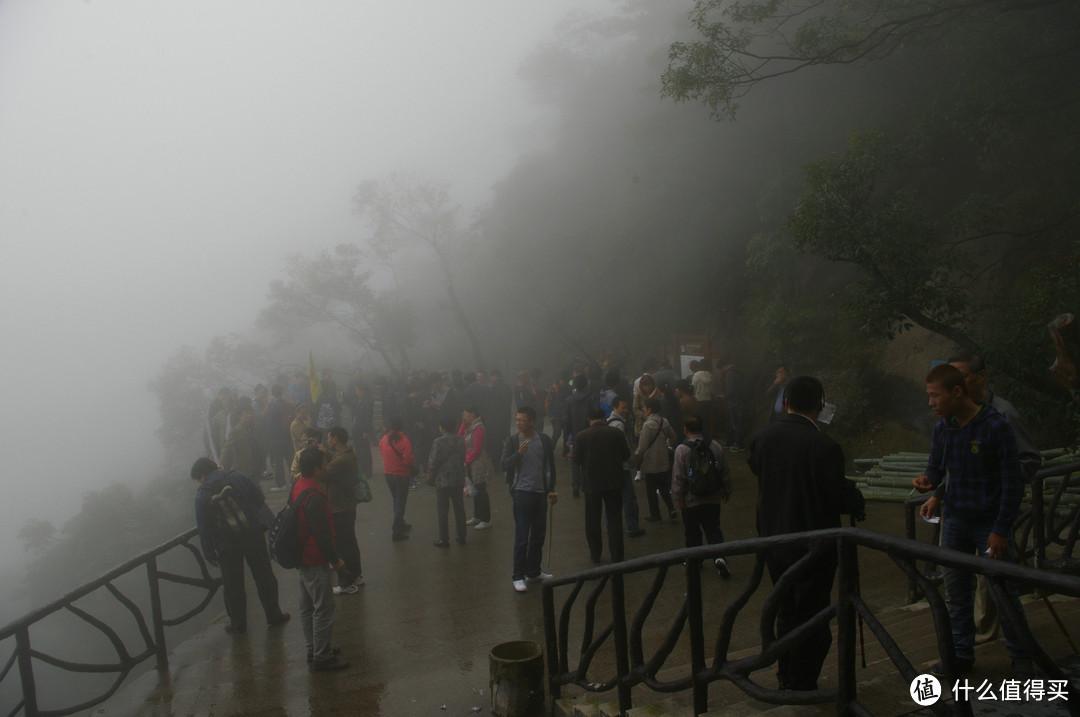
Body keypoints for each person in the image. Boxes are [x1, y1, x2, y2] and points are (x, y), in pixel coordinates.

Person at [912, 364, 1033, 679]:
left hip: (988, 523)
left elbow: (1012, 483)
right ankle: (961, 655)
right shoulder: (943, 428)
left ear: (957, 392)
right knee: (956, 593)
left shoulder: (995, 425)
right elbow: (937, 470)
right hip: (955, 520)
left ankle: (1022, 658)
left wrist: (1001, 529)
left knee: (1002, 591)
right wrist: (928, 482)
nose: (931, 403)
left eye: (935, 395)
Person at [749, 375, 865, 691]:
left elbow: (757, 469)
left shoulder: (762, 437)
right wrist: (855, 497)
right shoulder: (825, 446)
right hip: (814, 545)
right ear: (820, 405)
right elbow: (837, 497)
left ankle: (786, 673)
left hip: (774, 541)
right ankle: (802, 682)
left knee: (786, 607)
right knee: (813, 613)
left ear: (785, 402)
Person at [191, 457, 290, 635]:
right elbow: (259, 498)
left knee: (233, 584)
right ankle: (274, 615)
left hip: (226, 544)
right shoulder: (237, 476)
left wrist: (209, 553)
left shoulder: (202, 495)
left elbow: (204, 528)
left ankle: (238, 624)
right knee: (264, 576)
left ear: (203, 475)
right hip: (253, 535)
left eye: (199, 478)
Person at [291, 447, 349, 671]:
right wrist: (335, 560)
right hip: (314, 557)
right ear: (316, 469)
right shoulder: (314, 496)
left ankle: (313, 647)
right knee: (323, 607)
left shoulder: (298, 486)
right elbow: (321, 533)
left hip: (301, 556)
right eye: (324, 464)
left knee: (307, 605)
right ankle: (322, 656)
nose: (327, 467)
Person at [501, 406, 557, 593]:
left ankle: (533, 571)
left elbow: (550, 466)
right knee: (522, 536)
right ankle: (518, 575)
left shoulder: (544, 440)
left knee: (539, 534)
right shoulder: (511, 441)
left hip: (540, 493)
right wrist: (518, 454)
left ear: (532, 421)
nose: (518, 423)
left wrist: (551, 489)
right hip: (521, 493)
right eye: (516, 420)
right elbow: (503, 465)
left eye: (522, 420)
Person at [671, 414, 733, 576]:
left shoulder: (682, 449)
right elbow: (724, 471)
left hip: (691, 500)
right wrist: (726, 490)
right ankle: (719, 558)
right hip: (713, 498)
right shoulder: (715, 446)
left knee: (692, 532)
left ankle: (695, 561)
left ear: (685, 430)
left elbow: (679, 476)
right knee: (713, 529)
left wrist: (678, 497)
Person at [573, 407, 631, 563]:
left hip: (592, 484)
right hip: (614, 482)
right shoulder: (616, 433)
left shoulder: (582, 436)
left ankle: (595, 552)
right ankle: (617, 554)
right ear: (604, 418)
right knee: (614, 519)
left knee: (592, 520)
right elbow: (626, 454)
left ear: (589, 420)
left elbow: (576, 459)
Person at [325, 427, 364, 594]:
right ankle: (356, 575)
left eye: (329, 438)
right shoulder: (347, 456)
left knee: (342, 546)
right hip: (347, 506)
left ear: (335, 439)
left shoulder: (340, 461)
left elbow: (322, 474)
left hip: (340, 507)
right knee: (350, 543)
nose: (327, 441)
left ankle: (347, 583)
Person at [633, 398, 679, 522]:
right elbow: (674, 437)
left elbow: (642, 447)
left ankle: (655, 514)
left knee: (651, 491)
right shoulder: (664, 421)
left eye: (645, 407)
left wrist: (636, 461)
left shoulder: (647, 425)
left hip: (650, 462)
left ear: (649, 409)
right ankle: (671, 508)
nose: (644, 409)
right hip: (663, 461)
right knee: (664, 487)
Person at [607, 398, 645, 538]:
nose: (626, 411)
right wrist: (630, 461)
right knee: (629, 497)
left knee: (612, 498)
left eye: (627, 408)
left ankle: (609, 526)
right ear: (615, 407)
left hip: (612, 467)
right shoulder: (620, 425)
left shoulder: (609, 422)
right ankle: (632, 527)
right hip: (622, 466)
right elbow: (624, 447)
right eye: (623, 408)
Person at [428, 416, 468, 547]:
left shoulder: (438, 442)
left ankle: (444, 539)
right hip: (458, 478)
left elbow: (433, 462)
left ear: (443, 428)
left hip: (442, 480)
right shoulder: (461, 440)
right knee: (459, 508)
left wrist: (429, 474)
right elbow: (463, 458)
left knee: (443, 511)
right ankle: (461, 536)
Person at [459, 406, 496, 529]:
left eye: (465, 414)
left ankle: (486, 519)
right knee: (475, 489)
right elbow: (459, 437)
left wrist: (467, 460)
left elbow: (477, 448)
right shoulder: (469, 427)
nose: (463, 416)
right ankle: (477, 516)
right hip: (470, 463)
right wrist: (463, 424)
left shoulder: (478, 428)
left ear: (473, 414)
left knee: (481, 490)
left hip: (479, 463)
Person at [378, 417, 415, 541]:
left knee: (396, 500)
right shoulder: (404, 440)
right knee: (400, 502)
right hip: (402, 475)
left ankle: (401, 523)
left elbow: (381, 451)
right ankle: (397, 530)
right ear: (402, 427)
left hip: (388, 474)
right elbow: (408, 459)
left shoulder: (384, 439)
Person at [220, 401, 263, 479]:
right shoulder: (236, 431)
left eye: (250, 413)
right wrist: (221, 464)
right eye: (246, 414)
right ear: (240, 416)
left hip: (256, 467)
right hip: (244, 469)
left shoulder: (252, 428)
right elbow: (227, 448)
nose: (249, 416)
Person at [266, 384, 295, 492]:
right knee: (290, 460)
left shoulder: (273, 406)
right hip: (288, 436)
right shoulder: (288, 405)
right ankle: (294, 481)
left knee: (278, 462)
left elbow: (270, 425)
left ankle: (281, 484)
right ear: (282, 392)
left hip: (277, 438)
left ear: (273, 393)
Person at [692, 359, 716, 440]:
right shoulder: (711, 376)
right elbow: (712, 390)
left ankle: (699, 436)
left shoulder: (696, 375)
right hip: (708, 400)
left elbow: (693, 388)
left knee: (699, 419)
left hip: (698, 400)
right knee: (707, 419)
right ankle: (707, 436)